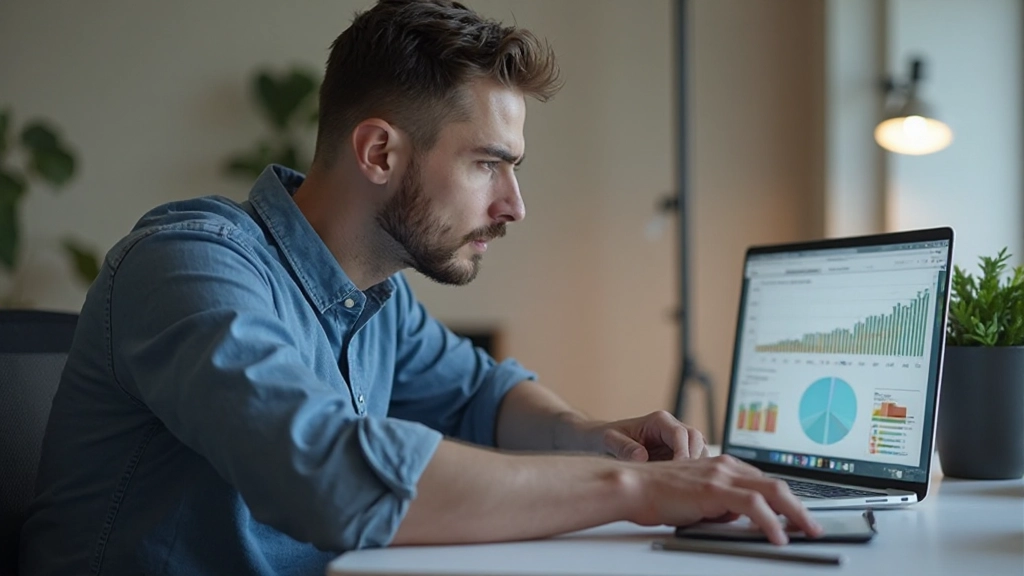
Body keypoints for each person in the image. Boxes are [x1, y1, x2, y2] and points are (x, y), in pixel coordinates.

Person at [19, 1, 821, 574]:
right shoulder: (189, 266)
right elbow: (333, 477)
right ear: (378, 154)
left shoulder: (377, 300)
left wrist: (597, 436)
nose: (514, 206)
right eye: (488, 165)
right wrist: (636, 490)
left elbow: (484, 397)